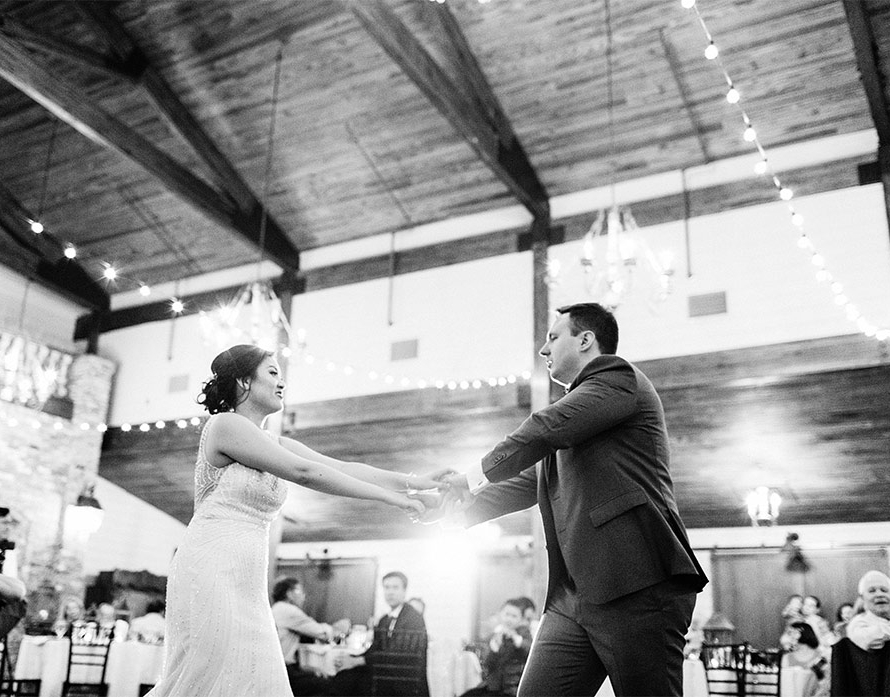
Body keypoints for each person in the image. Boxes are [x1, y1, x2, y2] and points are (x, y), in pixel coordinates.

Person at [434, 303, 708, 697]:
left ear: (585, 340)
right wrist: (453, 511)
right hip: (573, 596)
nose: (543, 350)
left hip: (638, 584)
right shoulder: (576, 415)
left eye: (553, 337)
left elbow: (544, 428)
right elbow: (530, 481)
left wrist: (470, 476)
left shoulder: (618, 379)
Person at [146, 345, 442, 697]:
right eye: (272, 372)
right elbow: (305, 473)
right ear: (243, 381)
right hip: (212, 566)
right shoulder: (225, 425)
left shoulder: (276, 442)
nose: (282, 382)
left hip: (247, 576)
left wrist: (415, 483)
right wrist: (396, 501)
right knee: (216, 673)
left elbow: (343, 468)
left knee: (253, 674)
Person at [336, 571, 429, 696]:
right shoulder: (384, 620)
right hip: (386, 676)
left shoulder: (413, 618)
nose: (390, 592)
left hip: (405, 683)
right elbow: (375, 649)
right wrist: (351, 658)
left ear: (404, 591)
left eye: (395, 587)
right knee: (344, 677)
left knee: (350, 681)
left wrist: (358, 661)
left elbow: (397, 655)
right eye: (387, 587)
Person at [271, 576, 337, 696]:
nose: (304, 596)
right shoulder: (288, 610)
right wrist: (336, 628)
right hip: (283, 671)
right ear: (289, 594)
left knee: (317, 676)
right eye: (300, 591)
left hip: (278, 669)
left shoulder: (277, 608)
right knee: (328, 686)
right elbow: (321, 632)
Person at [462, 598, 532, 697]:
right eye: (507, 614)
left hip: (512, 687)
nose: (509, 619)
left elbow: (530, 651)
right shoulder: (497, 635)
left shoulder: (523, 634)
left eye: (514, 616)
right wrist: (495, 649)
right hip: (494, 686)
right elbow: (488, 665)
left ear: (521, 619)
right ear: (501, 615)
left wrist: (516, 639)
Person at [780, 622, 830, 697]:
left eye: (792, 633)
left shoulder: (821, 656)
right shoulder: (786, 658)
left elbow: (826, 682)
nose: (790, 637)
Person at [846, 570, 890, 651]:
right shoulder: (858, 623)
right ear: (862, 598)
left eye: (884, 590)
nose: (879, 594)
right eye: (872, 591)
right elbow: (872, 638)